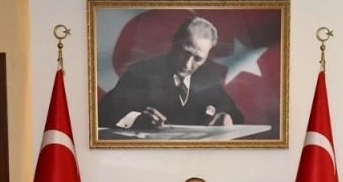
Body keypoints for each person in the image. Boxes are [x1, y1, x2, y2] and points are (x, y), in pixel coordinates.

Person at [98, 16, 244, 129]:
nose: (187, 64)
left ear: (207, 57)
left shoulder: (207, 78)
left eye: (198, 58)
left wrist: (226, 116)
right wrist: (136, 119)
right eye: (185, 52)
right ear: (174, 43)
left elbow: (235, 114)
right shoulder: (140, 73)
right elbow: (103, 112)